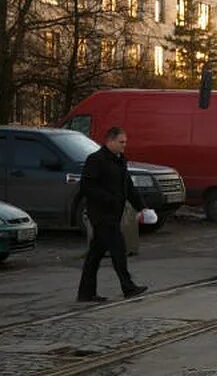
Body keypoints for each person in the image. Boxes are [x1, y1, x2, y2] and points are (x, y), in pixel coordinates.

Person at [77, 126, 149, 303]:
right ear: (110, 141)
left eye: (125, 142)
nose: (124, 145)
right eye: (121, 142)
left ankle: (85, 293)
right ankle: (128, 286)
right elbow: (87, 186)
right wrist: (108, 198)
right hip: (101, 214)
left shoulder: (120, 160)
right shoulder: (96, 160)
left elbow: (129, 188)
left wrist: (142, 207)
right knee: (118, 249)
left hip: (114, 213)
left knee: (95, 254)